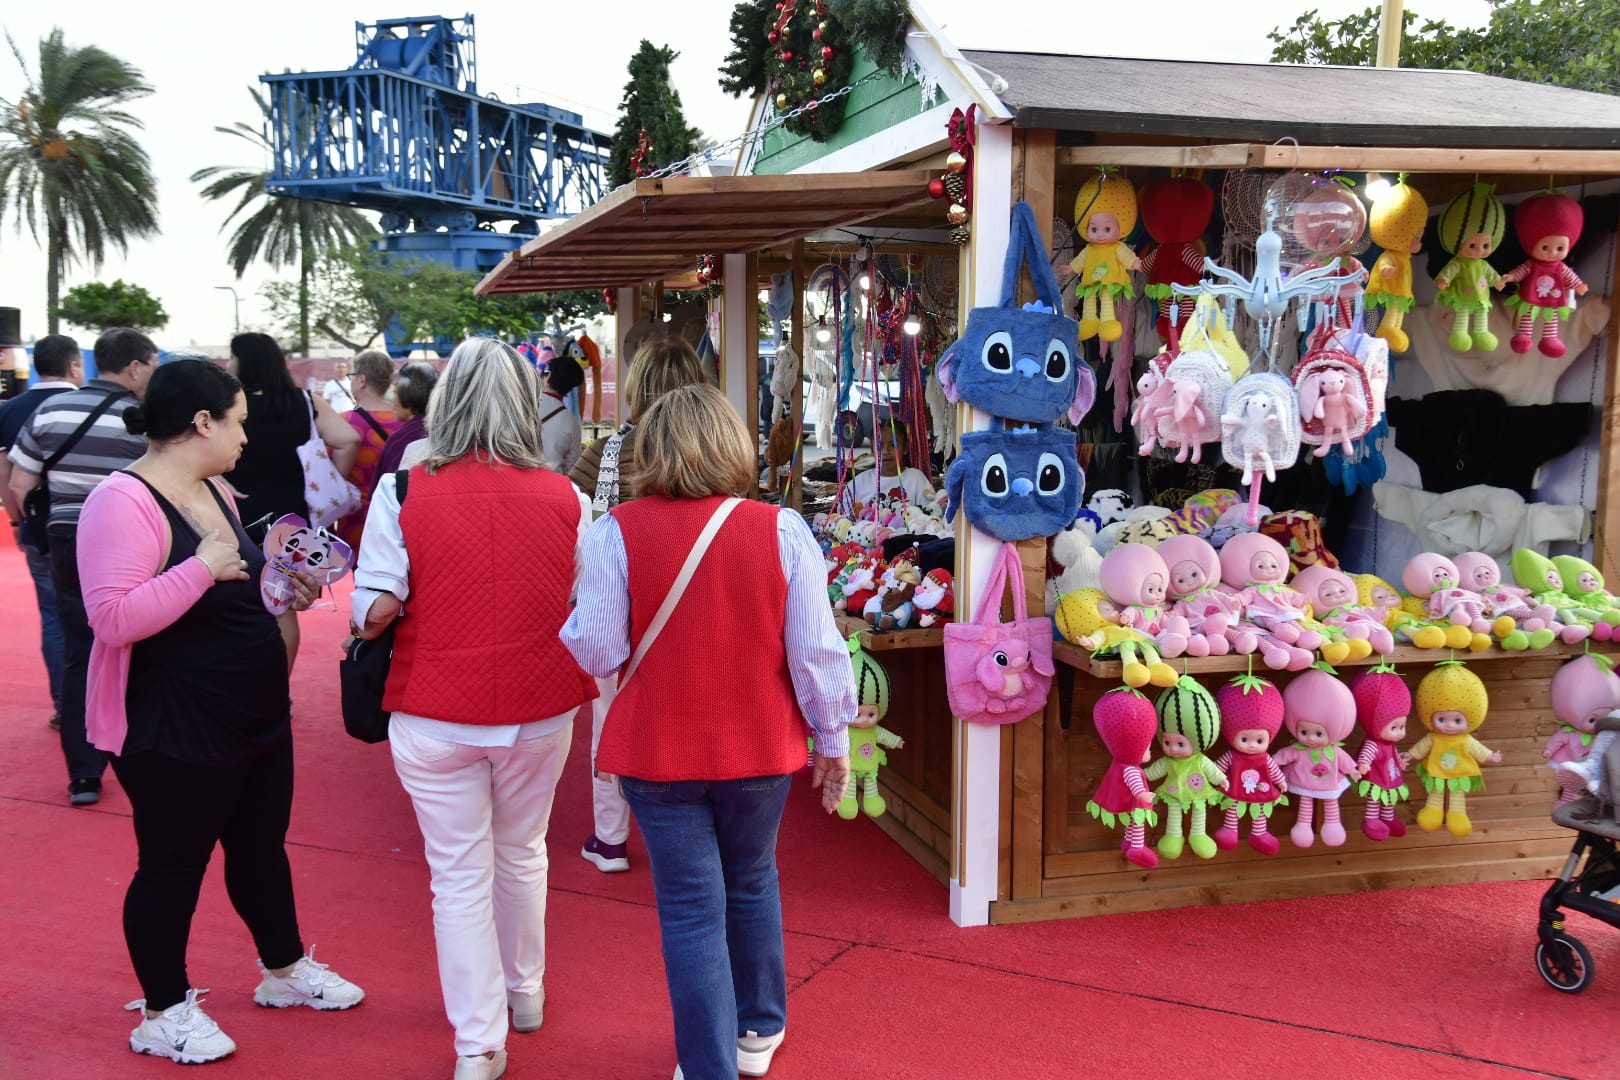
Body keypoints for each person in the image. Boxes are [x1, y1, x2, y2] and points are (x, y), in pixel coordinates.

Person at [563, 383, 855, 1080]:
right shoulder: (780, 529)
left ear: (649, 451)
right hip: (758, 744)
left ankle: (707, 1065)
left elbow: (597, 651)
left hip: (657, 749)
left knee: (692, 906)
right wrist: (834, 739)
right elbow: (817, 651)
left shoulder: (615, 532)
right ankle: (759, 1025)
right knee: (753, 878)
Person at [77, 359, 364, 1065]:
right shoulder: (122, 500)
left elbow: (234, 590)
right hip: (174, 724)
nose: (246, 434)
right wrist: (201, 566)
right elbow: (112, 619)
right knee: (173, 866)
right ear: (201, 422)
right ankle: (163, 1010)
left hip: (253, 711)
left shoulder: (216, 490)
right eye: (236, 419)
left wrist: (283, 591)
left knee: (262, 848)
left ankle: (284, 968)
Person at [351, 337, 594, 1080]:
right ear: (527, 407)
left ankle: (479, 1042)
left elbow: (371, 614)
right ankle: (525, 992)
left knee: (456, 874)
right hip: (539, 702)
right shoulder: (568, 497)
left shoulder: (404, 488)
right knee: (523, 851)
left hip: (432, 704)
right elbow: (585, 603)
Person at [568, 336, 707, 874]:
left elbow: (573, 524)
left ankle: (611, 839)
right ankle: (689, 831)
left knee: (610, 720)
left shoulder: (603, 455)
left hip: (619, 612)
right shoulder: (711, 455)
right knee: (691, 714)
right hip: (693, 605)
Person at [8, 327, 154, 805]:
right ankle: (139, 758)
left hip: (66, 539)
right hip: (128, 543)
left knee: (79, 651)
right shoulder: (139, 418)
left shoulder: (49, 410)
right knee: (136, 645)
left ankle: (84, 775)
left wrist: (36, 528)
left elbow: (19, 486)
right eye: (149, 363)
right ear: (134, 367)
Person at [222, 332, 359, 667]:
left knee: (231, 602)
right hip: (291, 519)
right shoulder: (304, 401)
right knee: (281, 605)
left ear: (245, 361)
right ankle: (278, 690)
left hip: (235, 514)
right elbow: (347, 439)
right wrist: (330, 480)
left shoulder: (227, 406)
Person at [0, 334, 84, 730]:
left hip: (38, 529)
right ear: (74, 366)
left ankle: (65, 704)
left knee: (53, 616)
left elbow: (8, 477)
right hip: (90, 531)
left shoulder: (11, 409)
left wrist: (18, 521)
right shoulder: (97, 408)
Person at [333, 349, 402, 553]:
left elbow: (330, 476)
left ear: (362, 380)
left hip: (359, 523)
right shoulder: (407, 422)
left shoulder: (343, 422)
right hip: (400, 521)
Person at [838, 419, 935, 515]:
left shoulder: (916, 479)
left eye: (893, 445)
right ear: (872, 450)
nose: (886, 452)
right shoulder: (858, 484)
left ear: (905, 448)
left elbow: (932, 512)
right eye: (880, 446)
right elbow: (842, 519)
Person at [375, 361, 439, 479]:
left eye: (395, 393)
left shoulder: (402, 440)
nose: (392, 401)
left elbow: (385, 492)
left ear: (408, 394)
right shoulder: (450, 429)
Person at [539, 355, 584, 475]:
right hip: (553, 487)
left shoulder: (522, 406)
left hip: (518, 484)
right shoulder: (572, 423)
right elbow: (571, 468)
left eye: (545, 372)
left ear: (549, 377)